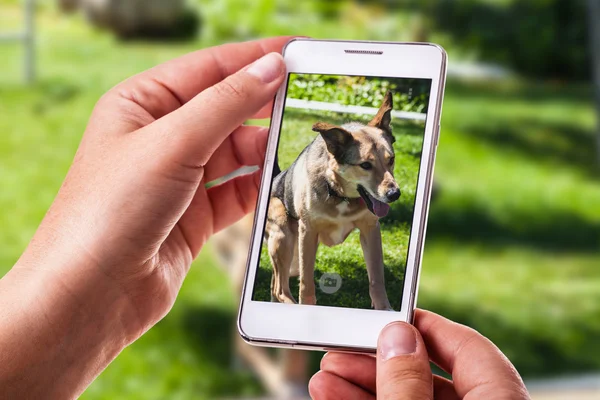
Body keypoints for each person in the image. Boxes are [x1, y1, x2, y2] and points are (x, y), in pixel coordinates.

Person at [0, 36, 530, 400]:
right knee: (285, 229)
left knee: (371, 231)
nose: (387, 181)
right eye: (370, 169)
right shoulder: (322, 171)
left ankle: (365, 302)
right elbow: (301, 226)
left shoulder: (374, 180)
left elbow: (375, 222)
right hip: (295, 209)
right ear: (338, 156)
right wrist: (308, 298)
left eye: (388, 164)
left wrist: (381, 301)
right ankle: (289, 295)